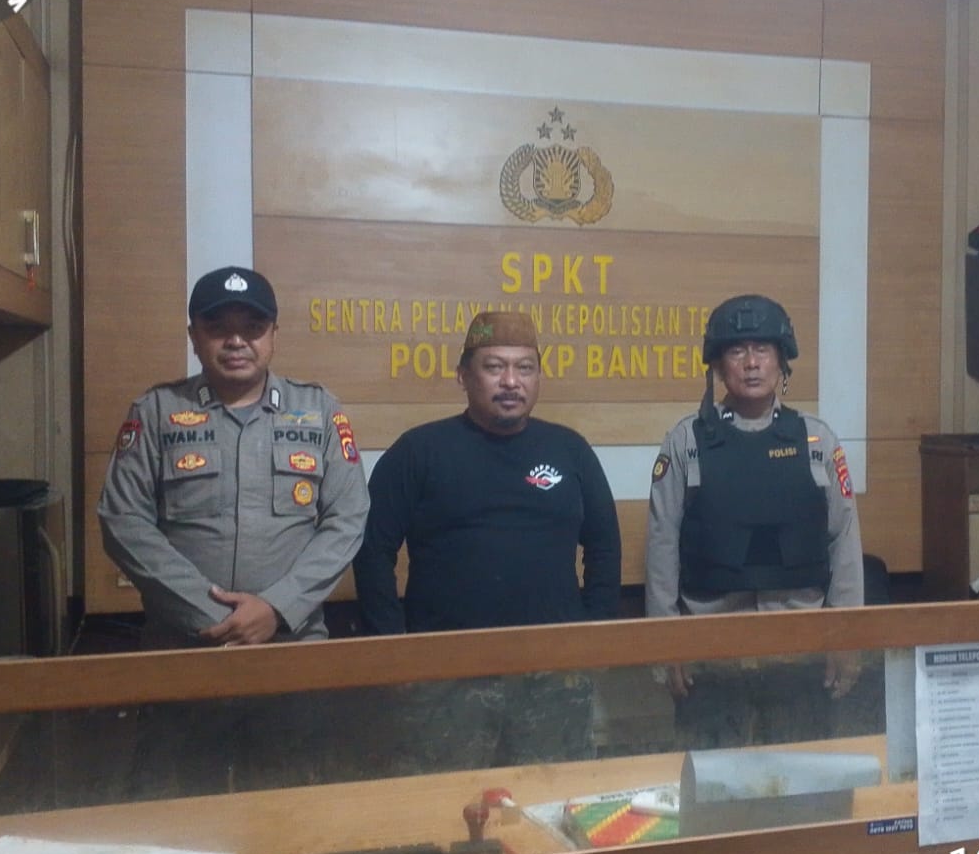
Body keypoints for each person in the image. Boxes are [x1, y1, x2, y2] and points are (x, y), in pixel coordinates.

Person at [353, 310, 621, 768]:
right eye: (494, 367)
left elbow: (604, 545)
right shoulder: (418, 452)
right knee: (443, 803)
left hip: (553, 675)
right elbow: (372, 551)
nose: (511, 381)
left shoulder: (569, 450)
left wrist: (592, 636)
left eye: (525, 367)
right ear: (463, 376)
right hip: (445, 675)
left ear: (538, 377)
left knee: (554, 799)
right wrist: (393, 650)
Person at [99, 265, 368, 649]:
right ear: (194, 336)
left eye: (253, 328)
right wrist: (214, 616)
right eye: (218, 328)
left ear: (274, 335)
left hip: (292, 640)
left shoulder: (319, 410)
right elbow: (123, 522)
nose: (236, 341)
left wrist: (277, 608)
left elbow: (348, 518)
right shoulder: (156, 411)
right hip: (185, 643)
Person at [645, 294, 864, 749]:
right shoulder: (686, 441)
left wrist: (848, 637)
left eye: (762, 349)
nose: (751, 363)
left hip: (800, 650)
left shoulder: (817, 440)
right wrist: (666, 645)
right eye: (737, 350)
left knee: (802, 778)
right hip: (711, 653)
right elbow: (662, 543)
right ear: (717, 364)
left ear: (782, 360)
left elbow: (843, 541)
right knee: (712, 781)